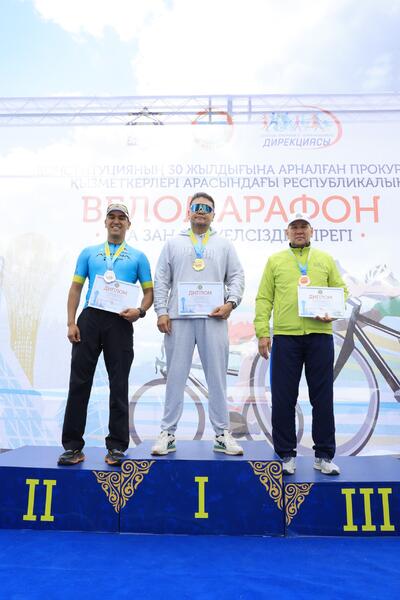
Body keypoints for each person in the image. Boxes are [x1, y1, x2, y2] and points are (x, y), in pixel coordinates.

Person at [58, 203, 153, 466]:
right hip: (89, 319)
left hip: (120, 322)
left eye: (122, 217)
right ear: (105, 222)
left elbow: (149, 293)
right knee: (79, 383)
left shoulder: (138, 257)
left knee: (119, 384)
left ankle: (117, 447)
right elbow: (75, 289)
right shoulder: (89, 253)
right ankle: (72, 447)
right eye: (112, 216)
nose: (116, 221)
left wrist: (140, 311)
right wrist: (71, 322)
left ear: (128, 224)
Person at [254, 212, 348, 475]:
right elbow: (264, 298)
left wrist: (333, 311)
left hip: (320, 336)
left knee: (323, 397)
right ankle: (286, 455)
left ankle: (324, 456)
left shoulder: (325, 259)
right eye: (294, 227)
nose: (299, 231)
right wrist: (262, 332)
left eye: (303, 227)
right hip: (286, 337)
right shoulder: (275, 261)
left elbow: (342, 291)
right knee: (283, 398)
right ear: (287, 232)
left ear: (311, 231)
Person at [151, 192, 245, 456]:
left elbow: (236, 276)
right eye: (197, 207)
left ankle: (222, 433)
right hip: (178, 320)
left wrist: (231, 303)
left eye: (207, 208)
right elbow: (161, 280)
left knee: (217, 378)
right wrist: (161, 311)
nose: (201, 211)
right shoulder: (173, 243)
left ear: (214, 214)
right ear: (189, 212)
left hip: (214, 318)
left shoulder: (224, 245)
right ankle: (168, 433)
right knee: (175, 377)